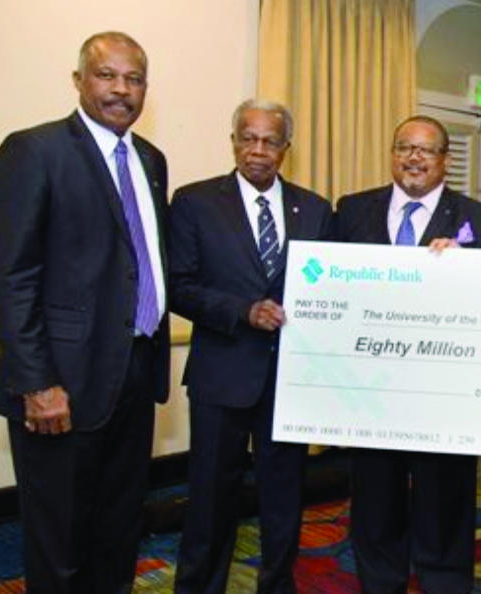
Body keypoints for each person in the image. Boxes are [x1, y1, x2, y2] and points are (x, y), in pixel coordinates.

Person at [0, 31, 170, 593]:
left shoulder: (151, 159)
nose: (121, 89)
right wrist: (36, 382)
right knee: (59, 543)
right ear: (78, 81)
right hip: (60, 385)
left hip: (136, 376)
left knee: (117, 534)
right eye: (106, 75)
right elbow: (12, 275)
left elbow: (141, 264)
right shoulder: (34, 150)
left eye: (133, 79)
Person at [169, 99, 333, 594]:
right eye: (248, 137)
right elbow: (178, 286)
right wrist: (243, 311)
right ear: (234, 140)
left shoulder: (317, 209)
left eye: (270, 140)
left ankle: (277, 585)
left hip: (289, 380)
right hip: (222, 375)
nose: (257, 150)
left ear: (287, 148)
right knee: (210, 499)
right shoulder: (195, 202)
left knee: (284, 499)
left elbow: (331, 288)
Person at [336, 115, 481, 593]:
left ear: (445, 160)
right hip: (370, 390)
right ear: (392, 154)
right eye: (404, 147)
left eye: (426, 150)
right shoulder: (350, 211)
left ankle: (444, 581)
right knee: (375, 498)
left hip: (443, 393)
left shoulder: (480, 220)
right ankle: (380, 581)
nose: (413, 157)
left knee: (444, 501)